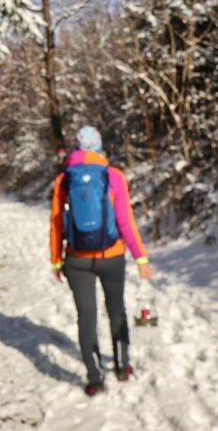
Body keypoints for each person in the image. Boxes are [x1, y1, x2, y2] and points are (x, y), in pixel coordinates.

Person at [50, 126, 153, 396]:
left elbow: (57, 223)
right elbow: (125, 220)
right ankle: (122, 366)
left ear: (76, 148)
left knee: (86, 316)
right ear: (99, 147)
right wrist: (141, 257)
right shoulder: (113, 175)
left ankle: (94, 377)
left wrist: (56, 260)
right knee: (116, 309)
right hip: (112, 256)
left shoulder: (64, 179)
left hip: (76, 259)